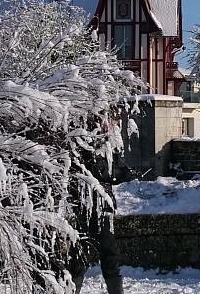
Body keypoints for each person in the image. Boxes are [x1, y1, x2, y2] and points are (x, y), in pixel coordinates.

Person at [67, 124, 135, 294]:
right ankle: (73, 288)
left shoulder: (107, 150)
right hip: (83, 206)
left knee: (109, 253)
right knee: (79, 254)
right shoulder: (78, 150)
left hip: (102, 208)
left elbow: (121, 172)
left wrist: (126, 174)